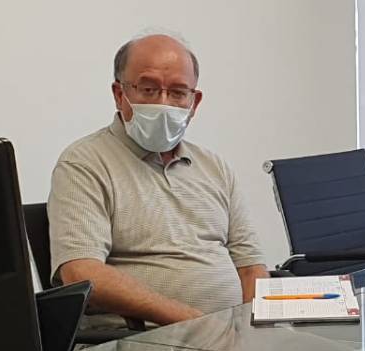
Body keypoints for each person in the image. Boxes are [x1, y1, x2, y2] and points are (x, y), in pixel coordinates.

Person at [49, 31, 268, 331]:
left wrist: (254, 332)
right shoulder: (84, 163)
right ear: (119, 94)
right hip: (143, 342)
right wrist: (195, 323)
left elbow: (250, 266)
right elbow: (81, 272)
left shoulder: (215, 168)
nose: (163, 103)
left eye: (178, 92)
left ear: (194, 102)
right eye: (149, 89)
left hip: (230, 343)